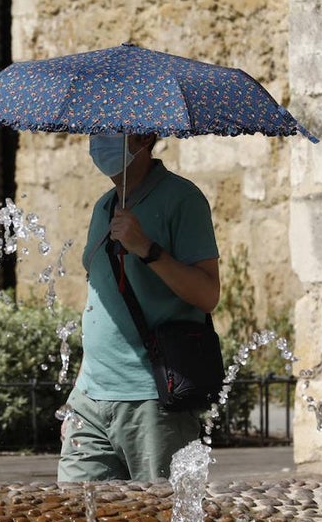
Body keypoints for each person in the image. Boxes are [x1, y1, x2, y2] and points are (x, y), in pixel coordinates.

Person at [57, 133, 220, 482]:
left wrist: (146, 248)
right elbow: (101, 302)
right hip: (90, 399)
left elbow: (208, 294)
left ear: (144, 137)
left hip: (154, 400)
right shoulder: (104, 207)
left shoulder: (183, 199)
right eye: (96, 129)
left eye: (112, 129)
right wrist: (77, 393)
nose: (99, 140)